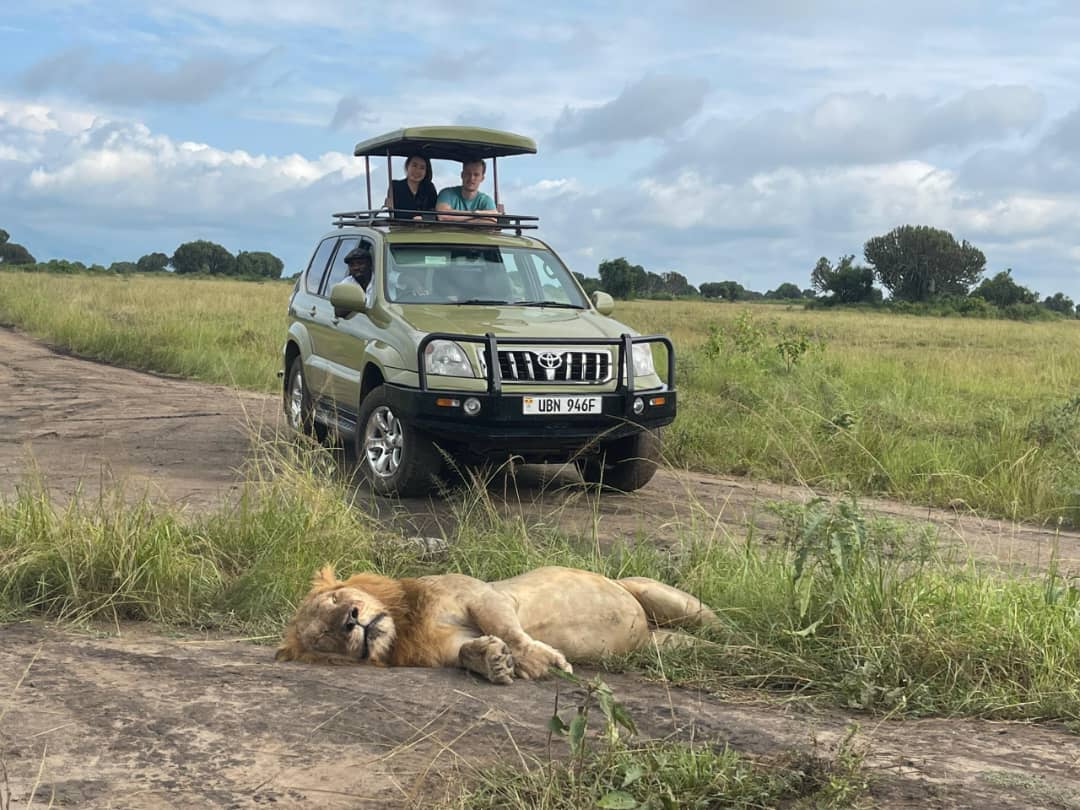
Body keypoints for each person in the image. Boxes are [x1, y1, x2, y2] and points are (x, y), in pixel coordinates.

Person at [435, 159, 501, 223]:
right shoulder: (446, 193)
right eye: (468, 174)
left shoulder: (486, 200)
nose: (471, 178)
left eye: (476, 175)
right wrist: (477, 214)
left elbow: (492, 222)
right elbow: (442, 216)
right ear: (462, 175)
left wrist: (456, 219)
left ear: (482, 178)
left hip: (476, 234)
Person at [384, 155, 437, 220]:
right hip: (401, 227)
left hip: (426, 227)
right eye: (414, 166)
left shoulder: (429, 187)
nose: (417, 171)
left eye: (422, 168)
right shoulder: (395, 186)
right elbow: (394, 213)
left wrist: (423, 218)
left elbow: (434, 212)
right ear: (407, 167)